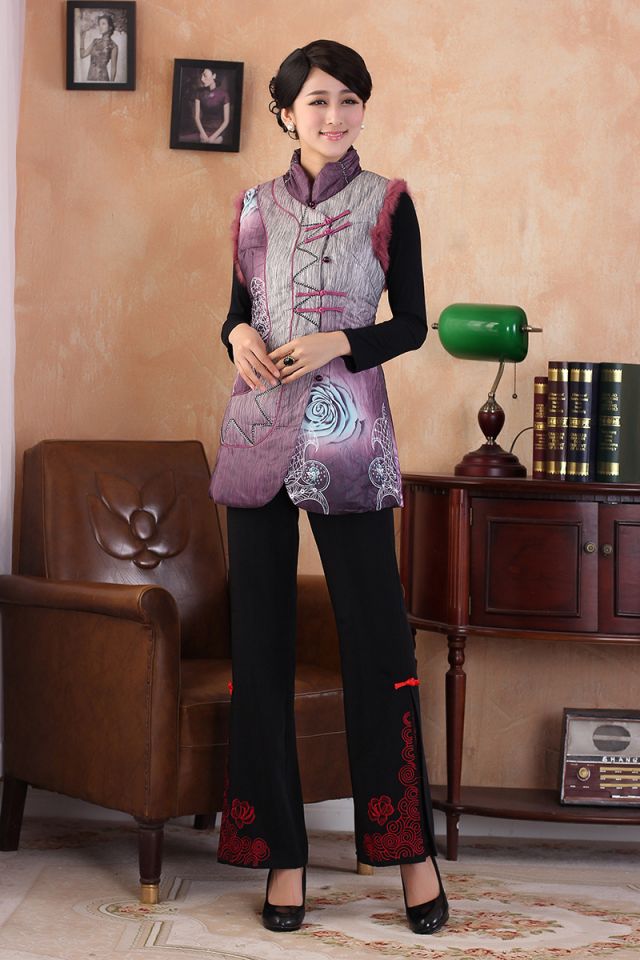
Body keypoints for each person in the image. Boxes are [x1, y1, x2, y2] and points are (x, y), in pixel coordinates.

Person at [209, 39, 449, 936]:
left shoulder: (388, 201)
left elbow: (413, 323)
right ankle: (283, 852)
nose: (334, 115)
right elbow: (238, 309)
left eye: (349, 99)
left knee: (379, 643)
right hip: (256, 435)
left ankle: (409, 850)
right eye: (317, 100)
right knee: (260, 649)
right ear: (285, 113)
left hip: (349, 440)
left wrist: (341, 341)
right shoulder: (253, 206)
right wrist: (236, 336)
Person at [193, 68, 231, 144]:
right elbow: (196, 117)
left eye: (205, 75)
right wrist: (203, 134)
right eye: (201, 76)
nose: (202, 79)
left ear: (214, 76)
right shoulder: (199, 93)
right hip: (203, 130)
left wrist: (213, 137)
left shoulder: (224, 94)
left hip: (218, 131)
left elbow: (226, 121)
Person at [79, 14, 118, 83]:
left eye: (103, 24)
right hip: (90, 78)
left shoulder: (113, 46)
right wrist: (82, 38)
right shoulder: (95, 41)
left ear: (110, 27)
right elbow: (82, 55)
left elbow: (113, 68)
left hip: (103, 79)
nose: (100, 26)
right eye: (99, 24)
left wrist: (111, 84)